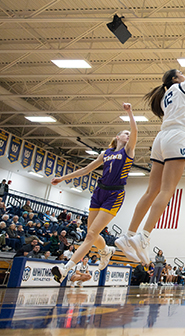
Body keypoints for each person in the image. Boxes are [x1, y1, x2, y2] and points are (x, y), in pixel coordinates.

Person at [114, 28, 185, 265]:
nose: (184, 74)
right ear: (175, 79)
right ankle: (144, 236)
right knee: (167, 191)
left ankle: (128, 235)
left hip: (160, 139)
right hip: (174, 139)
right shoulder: (183, 88)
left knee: (151, 191)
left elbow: (183, 122)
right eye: (180, 73)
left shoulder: (166, 96)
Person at [50, 103, 139, 284]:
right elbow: (86, 169)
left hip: (115, 195)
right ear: (117, 136)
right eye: (125, 133)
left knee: (90, 235)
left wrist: (129, 112)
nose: (128, 134)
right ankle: (106, 251)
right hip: (99, 192)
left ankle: (66, 269)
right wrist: (63, 178)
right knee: (93, 234)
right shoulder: (105, 153)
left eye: (128, 134)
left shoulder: (128, 150)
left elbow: (135, 131)